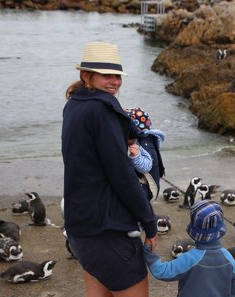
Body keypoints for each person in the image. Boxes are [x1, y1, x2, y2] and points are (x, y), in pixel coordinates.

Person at [62, 41, 158, 297]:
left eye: (117, 75)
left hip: (81, 227)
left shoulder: (75, 104)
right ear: (87, 76)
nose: (115, 81)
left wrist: (126, 129)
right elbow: (122, 175)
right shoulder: (103, 110)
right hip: (109, 230)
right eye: (107, 75)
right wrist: (149, 222)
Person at [143, 200, 235, 297]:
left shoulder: (190, 259)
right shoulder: (229, 258)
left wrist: (148, 250)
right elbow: (233, 289)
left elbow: (161, 271)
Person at [126, 107, 165, 200]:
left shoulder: (145, 144)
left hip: (147, 187)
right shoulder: (145, 139)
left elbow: (145, 167)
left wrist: (136, 156)